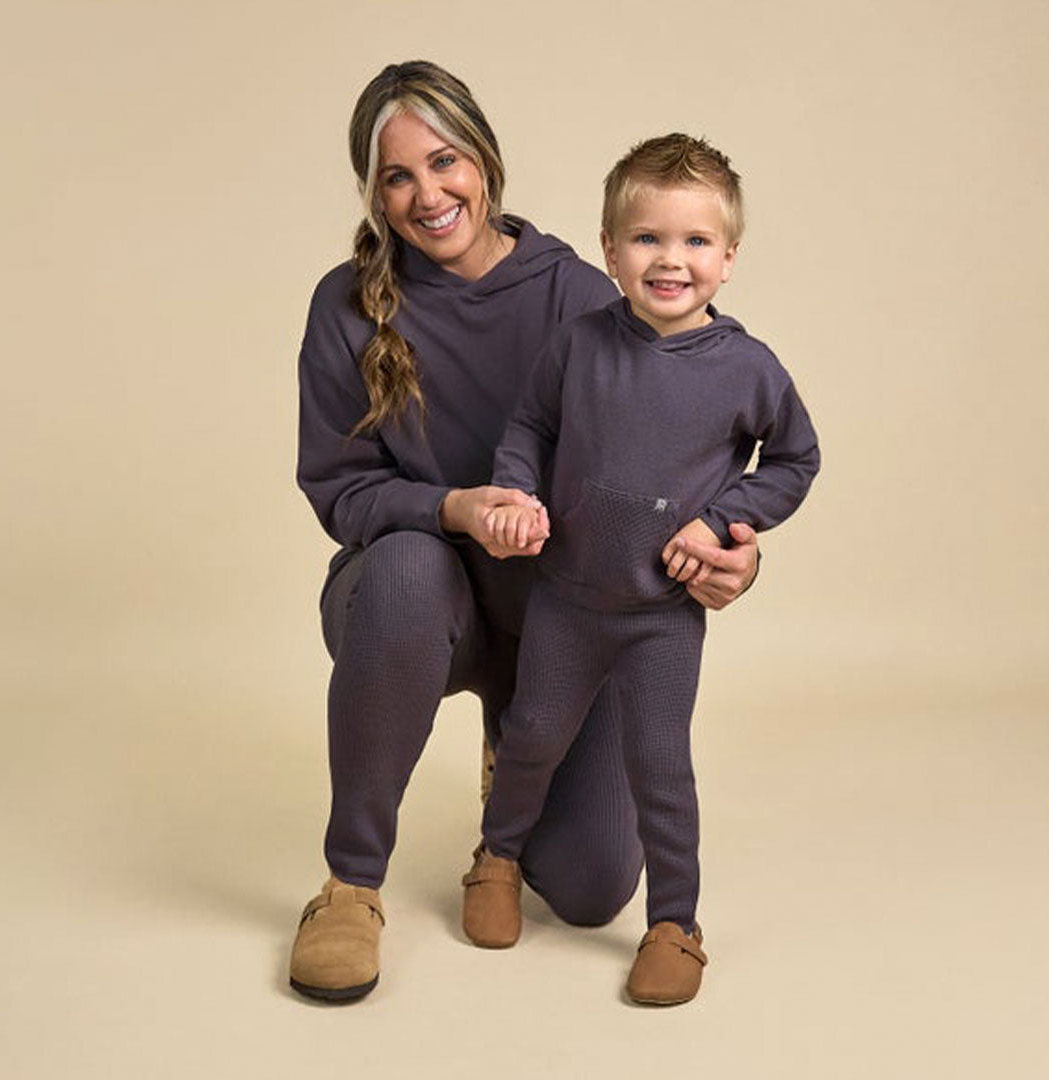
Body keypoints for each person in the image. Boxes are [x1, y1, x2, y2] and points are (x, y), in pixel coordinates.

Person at [289, 62, 761, 1003]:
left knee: (589, 889)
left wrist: (733, 551)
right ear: (373, 193)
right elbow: (340, 487)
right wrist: (453, 508)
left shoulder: (582, 294)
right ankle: (351, 883)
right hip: (409, 605)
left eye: (445, 162)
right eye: (397, 176)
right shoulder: (347, 304)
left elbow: (689, 437)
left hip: (566, 616)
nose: (428, 195)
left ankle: (514, 747)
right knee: (410, 570)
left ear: (485, 160)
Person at [460, 134, 820, 1006]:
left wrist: (725, 519)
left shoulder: (748, 368)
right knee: (532, 735)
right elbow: (529, 429)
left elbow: (794, 460)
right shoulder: (578, 344)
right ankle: (496, 858)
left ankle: (674, 925)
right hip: (566, 600)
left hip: (662, 616)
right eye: (648, 238)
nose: (671, 259)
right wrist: (516, 492)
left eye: (696, 241)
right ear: (611, 249)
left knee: (662, 768)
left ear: (729, 258)